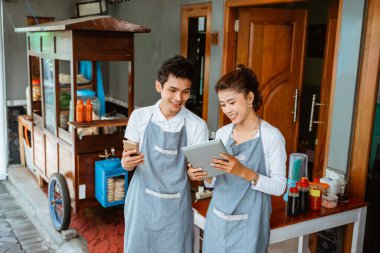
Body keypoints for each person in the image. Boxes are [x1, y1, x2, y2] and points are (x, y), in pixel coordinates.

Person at [188, 64, 287, 253]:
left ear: (250, 98)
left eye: (232, 102)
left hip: (251, 225)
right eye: (223, 104)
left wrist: (243, 172)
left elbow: (279, 187)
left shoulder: (271, 136)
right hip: (218, 219)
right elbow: (214, 182)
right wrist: (203, 175)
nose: (227, 110)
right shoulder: (223, 134)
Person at [122, 55, 209, 253]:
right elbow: (128, 160)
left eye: (185, 92)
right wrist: (127, 163)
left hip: (176, 208)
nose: (179, 98)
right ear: (158, 86)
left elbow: (196, 173)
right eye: (172, 90)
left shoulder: (197, 126)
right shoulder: (140, 117)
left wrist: (195, 174)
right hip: (142, 203)